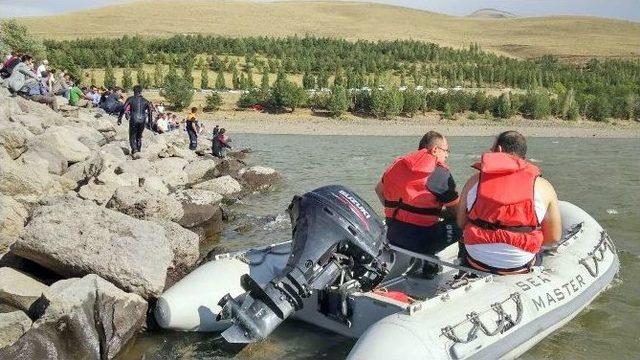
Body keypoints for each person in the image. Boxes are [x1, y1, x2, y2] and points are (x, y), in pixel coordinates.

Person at [457, 131, 562, 275]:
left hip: (477, 258)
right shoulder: (543, 186)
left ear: (499, 150)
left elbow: (461, 223)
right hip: (518, 262)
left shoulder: (474, 181)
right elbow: (553, 237)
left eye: (492, 148)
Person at [374, 131, 461, 278]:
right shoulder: (440, 173)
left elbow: (379, 190)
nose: (447, 156)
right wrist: (438, 213)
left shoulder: (397, 165)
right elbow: (457, 213)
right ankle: (464, 266)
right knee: (464, 222)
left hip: (392, 233)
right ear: (434, 150)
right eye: (446, 151)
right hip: (421, 240)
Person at [118, 85, 153, 157]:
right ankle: (138, 151)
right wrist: (150, 122)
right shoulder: (146, 101)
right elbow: (150, 111)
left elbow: (124, 108)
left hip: (134, 118)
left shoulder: (131, 99)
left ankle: (134, 150)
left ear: (134, 91)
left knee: (132, 136)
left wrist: (119, 118)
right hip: (143, 119)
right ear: (141, 91)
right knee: (139, 136)